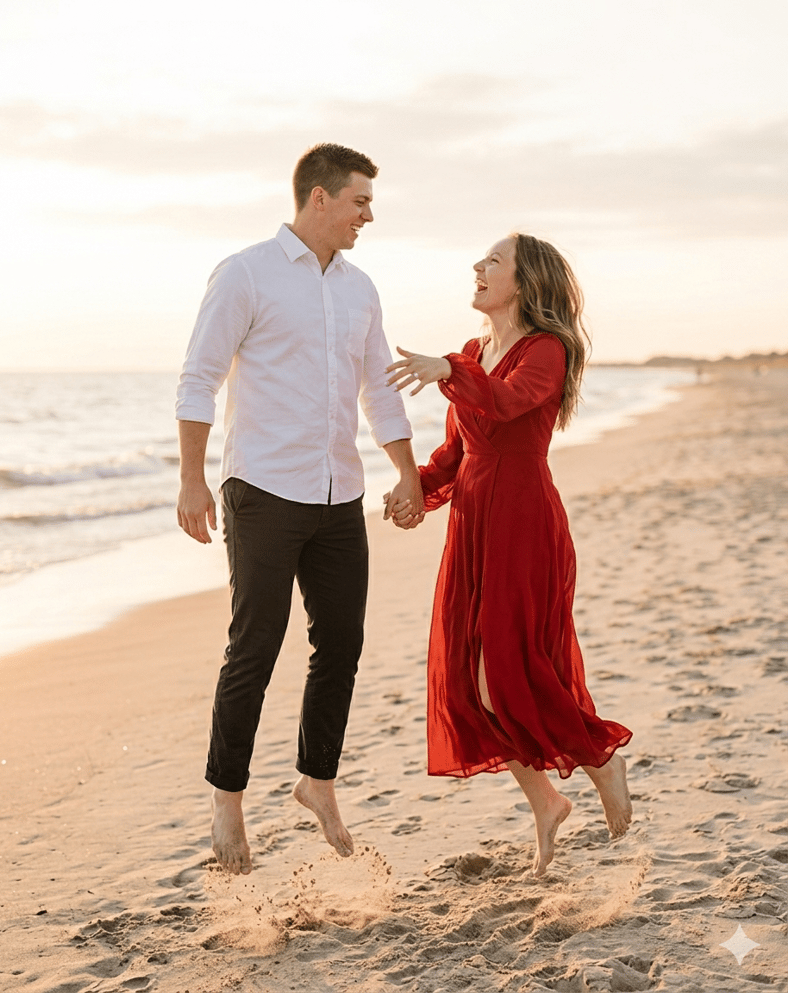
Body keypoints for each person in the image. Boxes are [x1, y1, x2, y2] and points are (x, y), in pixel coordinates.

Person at [176, 143, 423, 875]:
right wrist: (192, 479)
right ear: (319, 198)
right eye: (360, 201)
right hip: (261, 489)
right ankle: (228, 794)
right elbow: (198, 377)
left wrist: (405, 472)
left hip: (337, 492)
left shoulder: (361, 288)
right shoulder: (246, 272)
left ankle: (317, 778)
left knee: (341, 642)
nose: (367, 216)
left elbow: (379, 388)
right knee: (256, 642)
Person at [384, 233, 633, 877]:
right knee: (471, 685)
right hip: (472, 524)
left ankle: (602, 759)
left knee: (510, 677)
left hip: (522, 523)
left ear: (523, 283)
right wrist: (415, 487)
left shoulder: (545, 350)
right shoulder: (473, 352)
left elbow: (503, 404)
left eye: (493, 261)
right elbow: (462, 450)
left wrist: (448, 371)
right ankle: (546, 801)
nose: (477, 267)